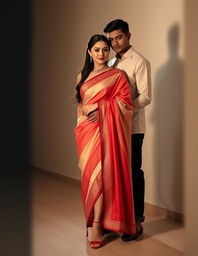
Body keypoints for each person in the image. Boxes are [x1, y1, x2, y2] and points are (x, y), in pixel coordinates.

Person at [74, 34, 136, 249]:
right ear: (89, 52)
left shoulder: (117, 75)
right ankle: (95, 220)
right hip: (85, 132)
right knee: (89, 177)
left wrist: (100, 108)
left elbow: (126, 104)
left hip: (105, 131)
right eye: (97, 50)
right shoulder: (81, 75)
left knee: (102, 176)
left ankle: (99, 225)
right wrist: (78, 126)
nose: (102, 54)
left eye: (105, 50)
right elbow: (80, 105)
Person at [103, 19, 152, 242]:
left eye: (118, 37)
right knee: (114, 175)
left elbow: (145, 96)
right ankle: (116, 221)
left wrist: (122, 109)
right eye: (111, 39)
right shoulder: (111, 62)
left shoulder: (140, 62)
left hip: (132, 127)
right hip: (112, 128)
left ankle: (137, 222)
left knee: (133, 172)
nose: (115, 43)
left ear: (129, 35)